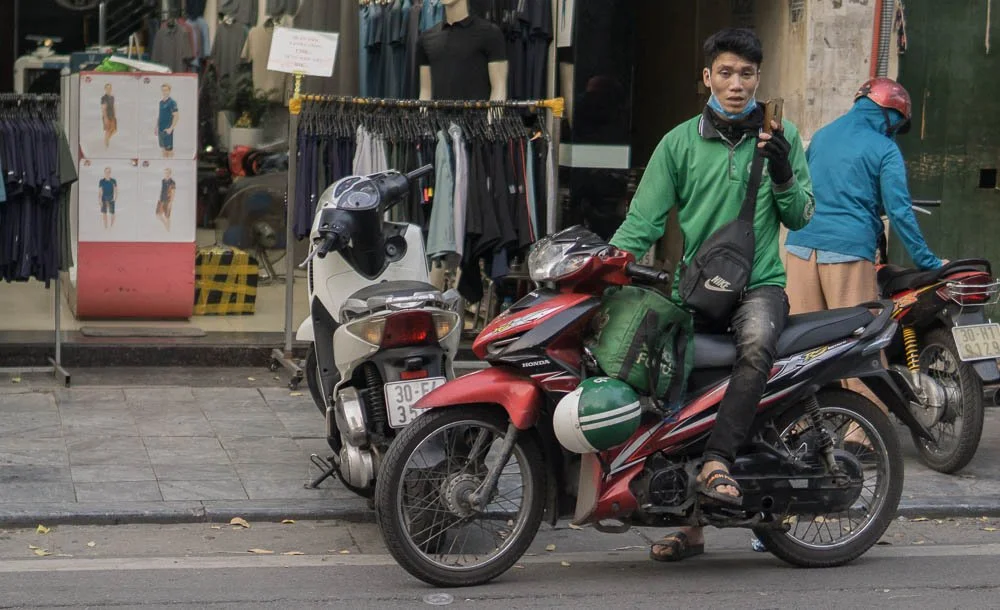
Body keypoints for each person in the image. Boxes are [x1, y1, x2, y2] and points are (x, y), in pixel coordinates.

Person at [608, 28, 815, 562]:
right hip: (696, 289)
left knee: (755, 349)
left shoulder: (779, 135)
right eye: (726, 73)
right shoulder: (679, 142)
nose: (736, 84)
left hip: (760, 285)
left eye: (746, 74)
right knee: (671, 376)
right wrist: (603, 270)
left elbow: (802, 215)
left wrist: (785, 171)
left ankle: (719, 462)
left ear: (758, 79)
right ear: (707, 78)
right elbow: (642, 223)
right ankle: (690, 526)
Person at [783, 78, 946, 404]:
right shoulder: (885, 148)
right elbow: (899, 211)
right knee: (859, 348)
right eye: (898, 124)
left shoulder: (824, 134)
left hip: (799, 249)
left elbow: (801, 186)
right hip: (846, 252)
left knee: (804, 350)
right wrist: (928, 263)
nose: (896, 131)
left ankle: (802, 430)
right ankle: (866, 438)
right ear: (891, 115)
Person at [155, 84, 179, 159]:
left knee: (169, 150)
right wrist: (156, 127)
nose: (164, 92)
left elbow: (176, 116)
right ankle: (164, 167)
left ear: (169, 91)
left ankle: (170, 167)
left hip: (167, 130)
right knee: (163, 149)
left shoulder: (172, 102)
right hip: (160, 129)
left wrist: (171, 128)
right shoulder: (161, 102)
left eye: (166, 90)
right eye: (163, 90)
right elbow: (160, 115)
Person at [156, 167, 176, 231]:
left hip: (168, 201)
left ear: (170, 173)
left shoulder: (172, 182)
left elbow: (173, 193)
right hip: (161, 200)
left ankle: (168, 230)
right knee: (158, 215)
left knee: (167, 217)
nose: (166, 174)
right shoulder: (163, 181)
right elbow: (162, 190)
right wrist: (159, 197)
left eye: (167, 173)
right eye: (165, 173)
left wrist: (171, 202)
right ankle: (165, 225)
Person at [101, 83, 117, 148]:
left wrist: (114, 115)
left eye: (110, 88)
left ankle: (106, 140)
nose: (109, 89)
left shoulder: (112, 97)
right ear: (105, 89)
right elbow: (103, 108)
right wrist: (105, 118)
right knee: (107, 131)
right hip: (107, 116)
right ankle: (106, 145)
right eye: (107, 88)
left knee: (114, 130)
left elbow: (113, 106)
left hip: (112, 116)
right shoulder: (104, 98)